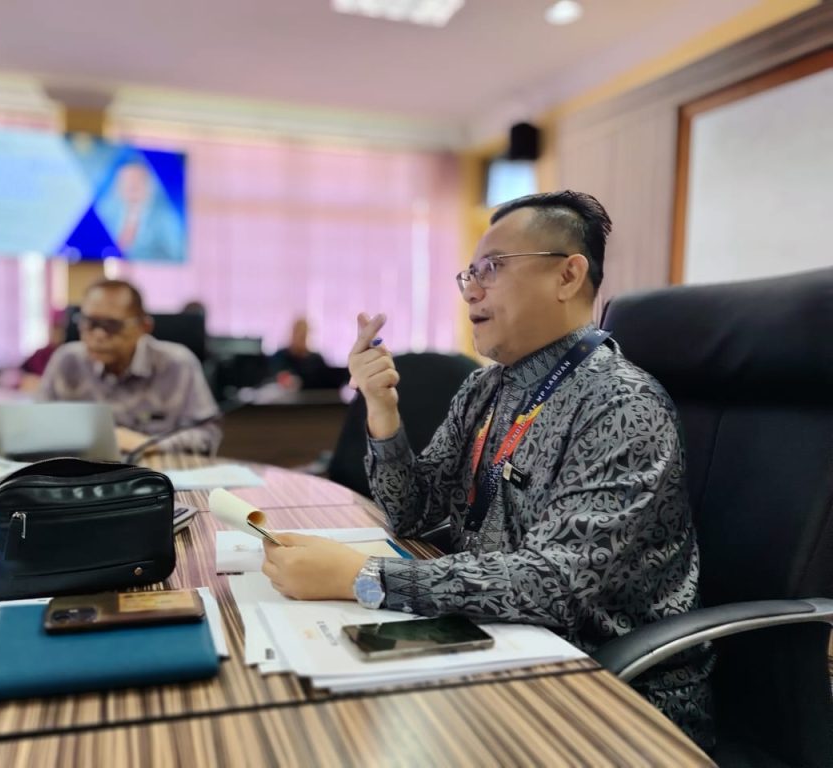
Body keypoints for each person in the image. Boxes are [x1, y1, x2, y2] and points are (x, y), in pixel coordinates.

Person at [261, 191, 713, 747]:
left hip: (610, 692)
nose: (472, 290)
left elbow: (554, 586)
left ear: (568, 275)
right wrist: (381, 411)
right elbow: (412, 511)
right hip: (500, 641)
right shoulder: (485, 388)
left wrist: (364, 577)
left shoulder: (621, 404)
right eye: (469, 274)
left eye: (494, 268)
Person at [37, 279, 220, 456]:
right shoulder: (66, 361)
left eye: (112, 325)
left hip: (154, 468)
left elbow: (208, 433)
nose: (98, 335)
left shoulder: (177, 364)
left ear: (144, 327)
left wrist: (150, 445)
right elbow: (39, 428)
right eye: (90, 323)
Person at [96, 159, 185, 263]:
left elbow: (177, 256)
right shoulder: (107, 211)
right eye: (126, 181)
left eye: (137, 181)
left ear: (149, 185)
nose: (131, 186)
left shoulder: (164, 216)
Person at [270, 317, 339, 390]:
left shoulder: (316, 359)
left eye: (303, 335)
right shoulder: (280, 356)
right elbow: (273, 378)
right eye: (298, 333)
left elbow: (327, 382)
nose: (300, 338)